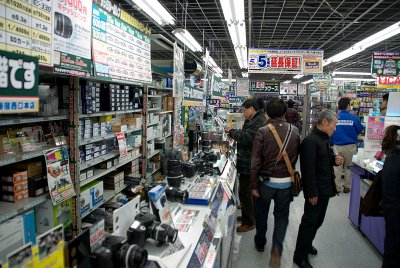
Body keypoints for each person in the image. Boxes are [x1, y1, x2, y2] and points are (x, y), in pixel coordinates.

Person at [251, 97, 300, 267]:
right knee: (281, 217)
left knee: (261, 214)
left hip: (266, 182)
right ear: (285, 112)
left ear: (267, 113)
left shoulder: (262, 131)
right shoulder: (295, 131)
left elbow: (256, 161)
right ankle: (277, 249)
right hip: (286, 183)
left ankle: (260, 242)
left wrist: (253, 185)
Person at [293, 110, 344, 268]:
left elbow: (323, 160)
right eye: (334, 124)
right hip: (317, 191)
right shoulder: (310, 141)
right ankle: (299, 255)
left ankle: (307, 244)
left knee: (318, 221)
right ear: (324, 122)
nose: (335, 128)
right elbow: (308, 170)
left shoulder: (324, 139)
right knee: (309, 222)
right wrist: (312, 192)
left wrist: (333, 160)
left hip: (325, 189)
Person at [226, 99, 267, 232]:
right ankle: (248, 215)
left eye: (244, 110)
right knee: (248, 192)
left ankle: (249, 222)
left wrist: (231, 131)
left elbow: (247, 138)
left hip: (250, 164)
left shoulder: (258, 121)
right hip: (248, 162)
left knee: (245, 191)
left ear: (252, 109)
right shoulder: (254, 119)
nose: (243, 113)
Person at [331, 97, 363, 193]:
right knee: (349, 167)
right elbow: (360, 129)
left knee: (337, 167)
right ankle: (347, 187)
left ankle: (336, 187)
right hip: (350, 146)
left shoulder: (334, 118)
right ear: (348, 105)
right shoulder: (353, 118)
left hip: (337, 146)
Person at [381, 125, 400, 268]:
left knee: (391, 243)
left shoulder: (391, 154)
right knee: (394, 246)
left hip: (390, 206)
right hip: (396, 208)